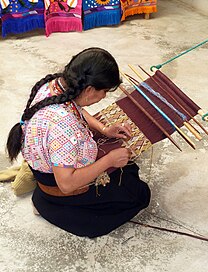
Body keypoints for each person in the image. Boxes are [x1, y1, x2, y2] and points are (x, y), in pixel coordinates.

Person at [6, 47, 151, 238]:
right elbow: (66, 184)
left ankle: (45, 202)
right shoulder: (63, 127)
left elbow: (76, 108)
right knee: (138, 194)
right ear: (90, 89)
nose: (104, 97)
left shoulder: (53, 85)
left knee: (129, 170)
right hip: (62, 187)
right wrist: (108, 161)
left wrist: (104, 129)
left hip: (46, 168)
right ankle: (52, 207)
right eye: (104, 91)